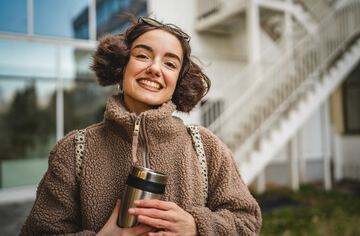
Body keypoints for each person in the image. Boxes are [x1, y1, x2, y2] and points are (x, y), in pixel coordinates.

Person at [20, 17, 262, 236]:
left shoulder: (206, 147)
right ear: (121, 65)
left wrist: (197, 226)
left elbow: (247, 221)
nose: (155, 69)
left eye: (170, 64)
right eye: (143, 56)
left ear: (179, 81)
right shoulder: (74, 151)